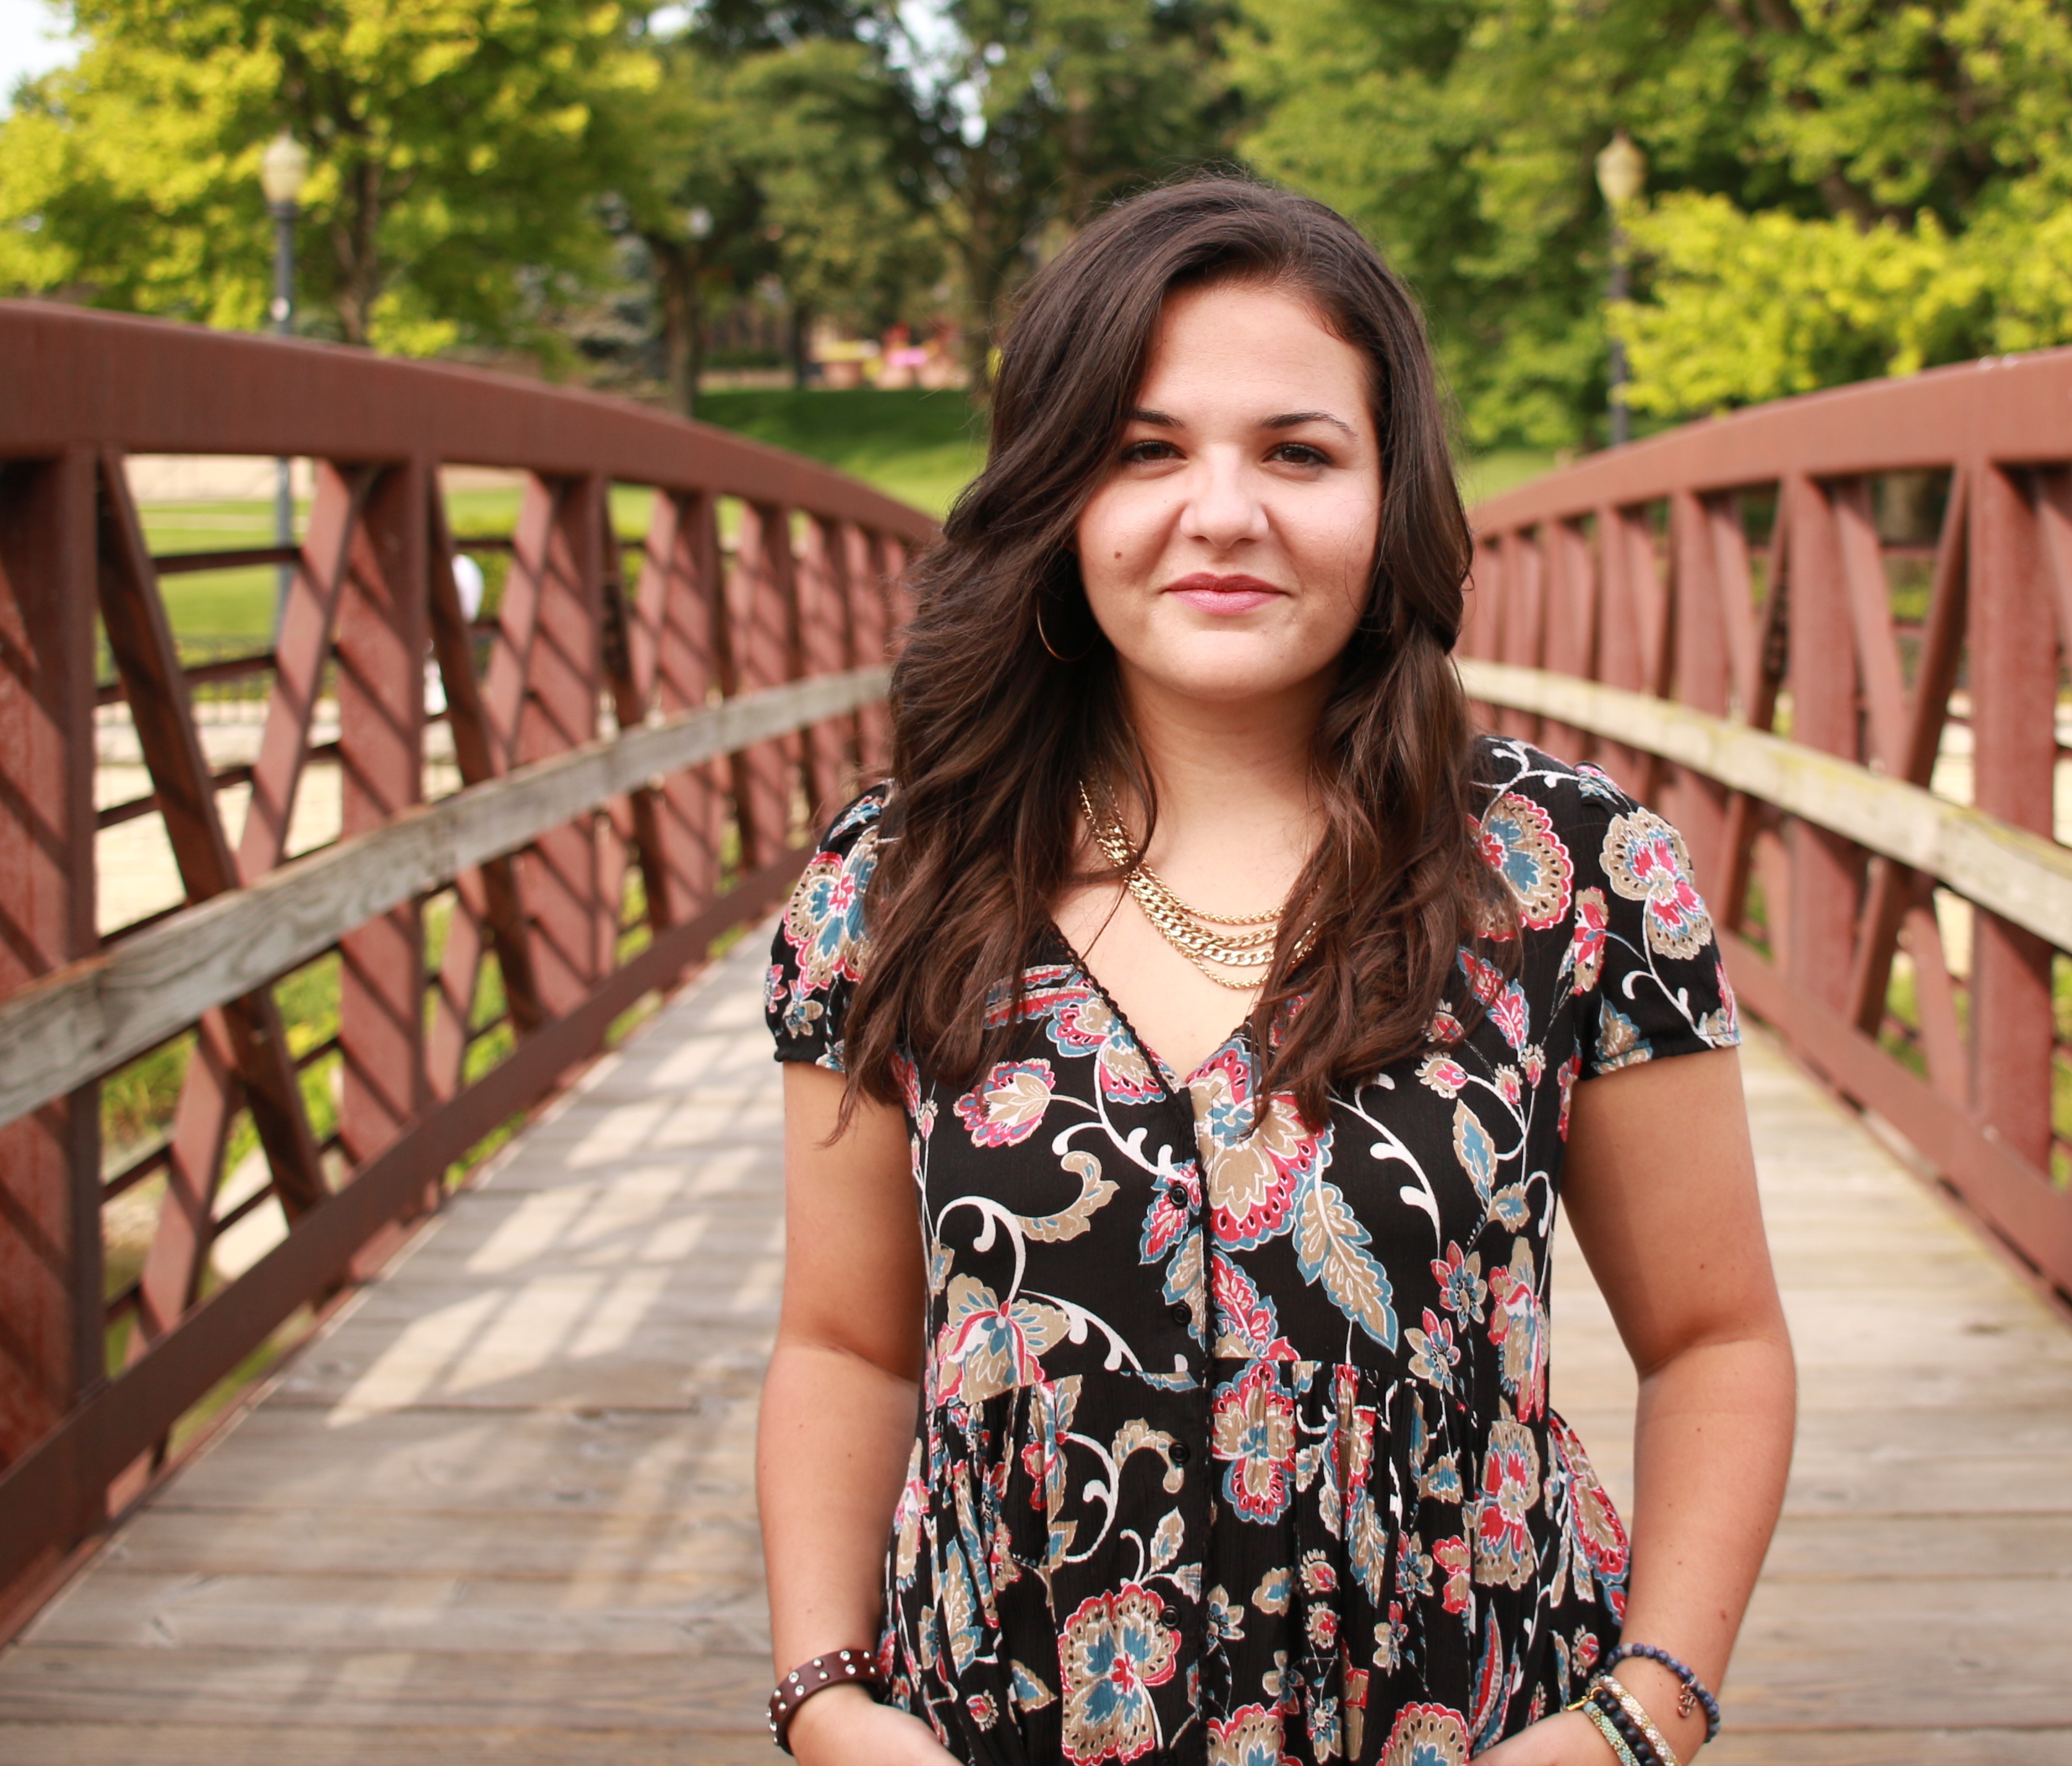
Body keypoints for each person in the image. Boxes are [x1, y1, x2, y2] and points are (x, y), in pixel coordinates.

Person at [757, 178, 1797, 1765]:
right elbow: (845, 1343)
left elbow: (1715, 1337)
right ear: (1056, 493)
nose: (1223, 512)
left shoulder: (1574, 873)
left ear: (1393, 494)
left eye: (1299, 453)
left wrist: (1641, 1719)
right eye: (1144, 450)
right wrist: (825, 1701)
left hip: (1473, 1724)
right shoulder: (893, 882)